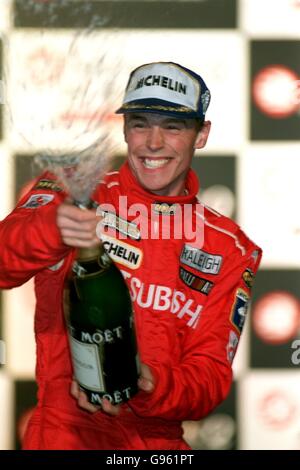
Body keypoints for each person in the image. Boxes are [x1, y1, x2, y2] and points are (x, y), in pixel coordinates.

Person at [0, 61, 262, 450]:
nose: (153, 142)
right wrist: (50, 227)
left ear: (201, 134)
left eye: (173, 127)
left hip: (160, 447)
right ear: (124, 129)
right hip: (66, 434)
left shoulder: (229, 247)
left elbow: (209, 380)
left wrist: (148, 381)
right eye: (140, 123)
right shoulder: (73, 191)